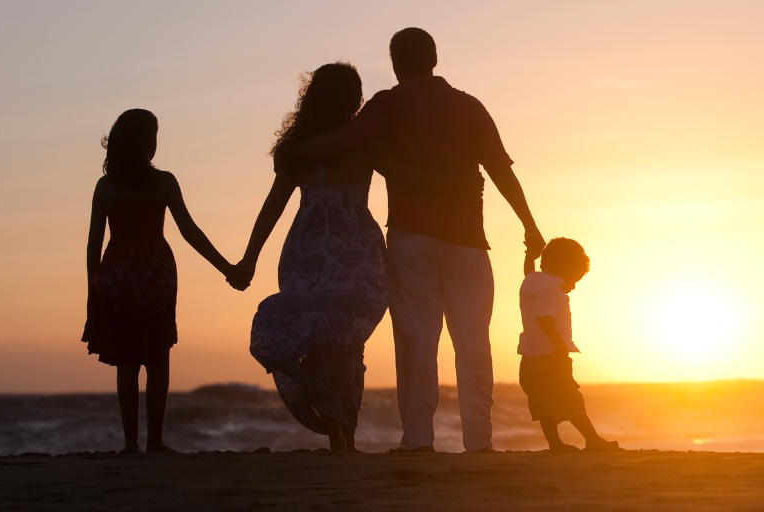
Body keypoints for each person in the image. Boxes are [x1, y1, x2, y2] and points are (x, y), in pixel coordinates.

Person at [291, 29, 545, 453]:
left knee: (416, 339)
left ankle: (418, 440)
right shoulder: (469, 106)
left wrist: (293, 152)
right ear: (435, 58)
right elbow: (502, 171)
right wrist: (530, 227)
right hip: (468, 241)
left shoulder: (388, 104)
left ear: (395, 62)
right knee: (472, 340)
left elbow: (345, 141)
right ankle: (479, 442)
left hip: (413, 239)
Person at [227, 62, 480, 453]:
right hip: (356, 251)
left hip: (306, 252)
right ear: (354, 99)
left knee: (320, 335)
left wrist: (249, 258)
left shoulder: (298, 151)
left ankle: (338, 434)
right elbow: (408, 177)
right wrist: (459, 181)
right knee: (347, 340)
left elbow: (272, 208)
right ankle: (342, 434)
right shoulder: (364, 144)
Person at [83, 109, 235, 454]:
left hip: (119, 274)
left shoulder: (107, 187)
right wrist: (227, 267)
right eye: (152, 136)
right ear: (143, 141)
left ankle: (130, 444)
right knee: (157, 357)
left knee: (126, 362)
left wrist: (93, 288)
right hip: (155, 274)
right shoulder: (163, 182)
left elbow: (94, 243)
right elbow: (190, 232)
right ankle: (155, 442)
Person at [518, 238, 619, 453]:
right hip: (550, 357)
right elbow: (544, 318)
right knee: (571, 398)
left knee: (542, 404)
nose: (572, 287)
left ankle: (555, 444)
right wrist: (560, 346)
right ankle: (592, 440)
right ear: (563, 265)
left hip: (528, 359)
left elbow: (529, 273)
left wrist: (529, 257)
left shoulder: (533, 281)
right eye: (574, 278)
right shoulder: (553, 290)